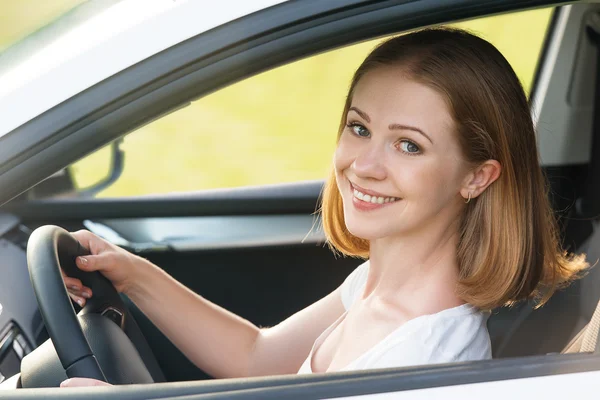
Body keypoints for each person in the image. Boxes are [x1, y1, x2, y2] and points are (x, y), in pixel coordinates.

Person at [60, 27, 588, 387]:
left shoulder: (423, 356)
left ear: (477, 176)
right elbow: (258, 358)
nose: (364, 165)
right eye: (360, 128)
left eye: (408, 145)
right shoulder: (377, 290)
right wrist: (132, 276)